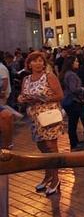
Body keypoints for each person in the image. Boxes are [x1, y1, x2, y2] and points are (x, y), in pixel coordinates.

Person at [18, 51, 64, 196]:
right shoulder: (26, 79)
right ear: (29, 64)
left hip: (48, 116)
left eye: (41, 61)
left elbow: (59, 95)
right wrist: (22, 99)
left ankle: (56, 179)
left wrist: (41, 98)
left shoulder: (49, 77)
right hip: (35, 118)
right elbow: (22, 95)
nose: (38, 63)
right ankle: (48, 176)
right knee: (41, 146)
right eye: (35, 61)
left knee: (51, 147)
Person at [59, 55, 84, 150]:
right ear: (71, 63)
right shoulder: (71, 75)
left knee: (73, 122)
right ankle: (73, 143)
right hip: (72, 101)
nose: (78, 63)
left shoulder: (66, 73)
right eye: (76, 61)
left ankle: (75, 141)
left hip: (68, 100)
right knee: (73, 123)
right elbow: (73, 89)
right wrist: (83, 88)